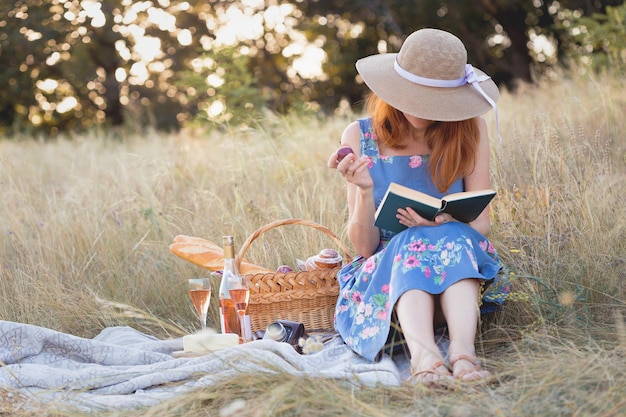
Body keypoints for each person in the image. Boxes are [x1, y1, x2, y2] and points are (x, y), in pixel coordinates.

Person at [328, 28, 510, 383]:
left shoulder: (469, 128)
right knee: (411, 243)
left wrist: (440, 226)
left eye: (434, 101)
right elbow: (364, 248)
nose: (423, 111)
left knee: (450, 235)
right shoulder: (360, 136)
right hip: (386, 286)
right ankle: (425, 361)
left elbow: (481, 225)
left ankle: (463, 357)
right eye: (415, 97)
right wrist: (365, 191)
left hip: (456, 275)